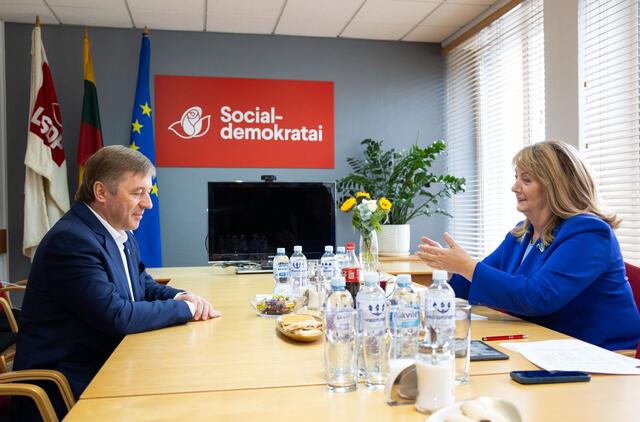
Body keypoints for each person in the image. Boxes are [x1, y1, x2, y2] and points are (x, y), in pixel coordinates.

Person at [13, 145, 221, 420]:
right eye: (137, 193)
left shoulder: (119, 232)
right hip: (69, 383)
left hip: (110, 360)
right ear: (101, 192)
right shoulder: (71, 241)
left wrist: (182, 296)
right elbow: (117, 316)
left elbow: (142, 285)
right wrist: (187, 309)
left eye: (148, 192)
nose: (148, 203)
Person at [417, 140, 640, 351]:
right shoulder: (521, 234)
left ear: (555, 186)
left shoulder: (589, 234)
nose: (514, 187)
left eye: (526, 179)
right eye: (516, 177)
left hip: (603, 354)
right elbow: (475, 285)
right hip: (546, 345)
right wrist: (450, 270)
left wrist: (466, 266)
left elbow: (538, 297)